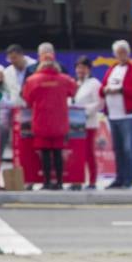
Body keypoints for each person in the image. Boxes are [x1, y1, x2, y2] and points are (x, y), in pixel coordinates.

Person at [22, 57, 76, 190]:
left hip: (41, 121)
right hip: (60, 122)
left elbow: (27, 99)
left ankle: (46, 182)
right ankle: (59, 182)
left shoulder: (32, 80)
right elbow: (73, 92)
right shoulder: (65, 79)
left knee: (45, 153)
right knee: (58, 152)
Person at [103, 39, 132, 189]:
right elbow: (102, 87)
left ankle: (128, 180)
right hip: (113, 115)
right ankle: (119, 178)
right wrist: (105, 90)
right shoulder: (112, 69)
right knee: (118, 149)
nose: (121, 55)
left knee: (128, 149)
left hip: (128, 116)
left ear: (128, 53)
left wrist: (121, 90)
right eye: (118, 53)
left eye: (123, 52)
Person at [72, 56, 103, 190]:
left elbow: (100, 103)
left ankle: (92, 181)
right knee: (76, 154)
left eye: (83, 68)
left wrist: (84, 112)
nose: (80, 70)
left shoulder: (94, 83)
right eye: (78, 68)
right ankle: (76, 181)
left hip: (88, 123)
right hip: (73, 124)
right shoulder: (73, 83)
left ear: (89, 69)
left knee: (88, 153)